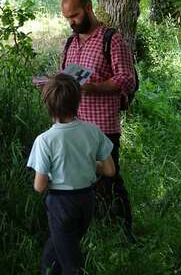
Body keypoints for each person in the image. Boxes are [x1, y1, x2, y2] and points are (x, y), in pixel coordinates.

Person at [60, 0, 136, 240]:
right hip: (75, 126)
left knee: (110, 181)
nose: (71, 22)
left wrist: (93, 88)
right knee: (81, 183)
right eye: (67, 18)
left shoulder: (111, 39)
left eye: (75, 15)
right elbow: (65, 76)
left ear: (89, 7)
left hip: (103, 127)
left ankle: (126, 234)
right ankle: (94, 233)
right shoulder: (71, 42)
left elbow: (127, 79)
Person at [27, 73, 116, 275]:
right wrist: (87, 165)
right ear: (78, 100)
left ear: (48, 104)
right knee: (54, 253)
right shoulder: (93, 131)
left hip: (61, 205)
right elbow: (110, 170)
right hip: (87, 200)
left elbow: (39, 186)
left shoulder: (45, 140)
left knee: (71, 263)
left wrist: (58, 172)